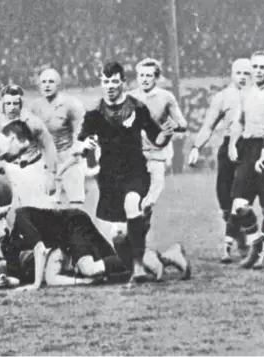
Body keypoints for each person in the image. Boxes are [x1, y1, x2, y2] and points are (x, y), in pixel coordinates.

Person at [75, 61, 176, 284]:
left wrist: (166, 135)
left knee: (132, 203)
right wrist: (84, 148)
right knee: (119, 236)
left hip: (135, 172)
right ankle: (168, 257)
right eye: (106, 81)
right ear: (101, 82)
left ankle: (139, 269)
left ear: (123, 82)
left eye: (114, 81)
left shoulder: (137, 107)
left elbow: (156, 138)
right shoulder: (94, 112)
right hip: (109, 180)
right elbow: (81, 143)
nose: (110, 85)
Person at [0, 206, 190, 289]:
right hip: (68, 239)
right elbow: (18, 276)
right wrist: (7, 282)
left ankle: (151, 255)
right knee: (116, 273)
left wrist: (35, 284)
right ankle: (169, 255)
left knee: (91, 269)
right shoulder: (9, 246)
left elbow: (40, 248)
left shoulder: (20, 217)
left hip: (73, 223)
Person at [228, 51, 264, 270]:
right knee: (239, 204)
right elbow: (238, 121)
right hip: (248, 147)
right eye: (255, 67)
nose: (258, 71)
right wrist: (232, 143)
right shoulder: (245, 92)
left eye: (263, 67)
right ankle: (256, 244)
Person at [187, 58, 251, 263]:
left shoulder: (258, 96)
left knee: (241, 199)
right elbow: (208, 126)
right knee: (225, 201)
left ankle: (246, 241)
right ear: (232, 73)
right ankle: (240, 237)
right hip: (227, 148)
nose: (242, 77)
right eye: (238, 72)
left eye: (246, 73)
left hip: (250, 147)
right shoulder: (222, 97)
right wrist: (197, 147)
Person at [128, 58, 188, 212]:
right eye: (141, 75)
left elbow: (182, 124)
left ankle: (143, 217)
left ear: (156, 77)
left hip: (158, 150)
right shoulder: (128, 98)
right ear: (137, 77)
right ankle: (137, 225)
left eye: (149, 75)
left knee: (152, 196)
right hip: (136, 151)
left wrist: (170, 127)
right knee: (135, 195)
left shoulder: (166, 97)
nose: (145, 79)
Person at [0, 84, 58, 209]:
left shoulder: (32, 121)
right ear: (3, 105)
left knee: (41, 210)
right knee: (14, 212)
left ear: (21, 104)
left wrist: (51, 174)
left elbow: (48, 145)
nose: (12, 107)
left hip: (33, 168)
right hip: (10, 171)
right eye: (8, 104)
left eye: (15, 103)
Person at [30, 69, 87, 208]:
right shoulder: (35, 107)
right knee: (48, 208)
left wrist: (70, 160)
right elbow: (31, 138)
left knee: (76, 208)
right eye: (44, 82)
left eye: (51, 82)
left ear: (59, 85)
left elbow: (81, 135)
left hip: (68, 158)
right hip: (47, 161)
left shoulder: (71, 105)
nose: (47, 85)